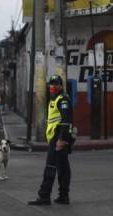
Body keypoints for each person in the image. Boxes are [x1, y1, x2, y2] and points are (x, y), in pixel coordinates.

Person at [28, 74, 74, 206]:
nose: (52, 87)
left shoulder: (63, 100)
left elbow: (65, 122)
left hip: (58, 138)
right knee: (63, 167)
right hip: (57, 138)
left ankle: (44, 196)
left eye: (55, 84)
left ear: (61, 86)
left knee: (50, 166)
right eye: (51, 84)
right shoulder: (55, 99)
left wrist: (60, 139)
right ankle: (63, 196)